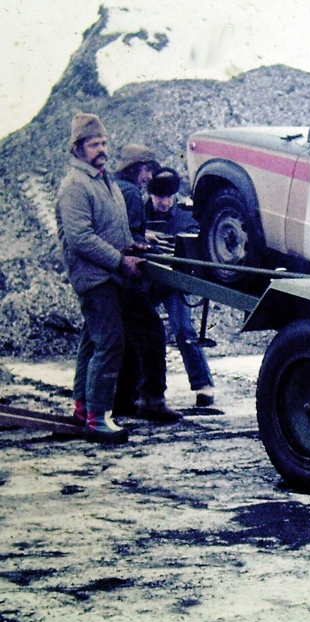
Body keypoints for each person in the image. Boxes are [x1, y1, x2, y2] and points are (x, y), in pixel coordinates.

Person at [57, 114, 181, 444]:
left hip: (109, 272)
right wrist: (121, 261)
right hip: (95, 276)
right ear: (78, 148)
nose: (101, 149)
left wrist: (131, 244)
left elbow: (112, 227)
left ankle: (84, 408)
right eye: (93, 144)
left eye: (104, 143)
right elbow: (81, 238)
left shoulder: (103, 181)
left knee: (93, 341)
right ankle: (98, 418)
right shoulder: (75, 186)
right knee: (110, 342)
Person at [110, 144, 175, 418]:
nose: (149, 177)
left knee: (130, 338)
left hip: (111, 276)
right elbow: (128, 237)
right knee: (152, 334)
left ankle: (123, 399)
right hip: (127, 277)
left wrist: (142, 237)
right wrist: (142, 244)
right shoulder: (132, 194)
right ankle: (152, 400)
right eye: (148, 170)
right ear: (137, 167)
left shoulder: (114, 188)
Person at [146, 167, 216, 407]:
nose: (164, 202)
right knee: (140, 333)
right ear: (150, 194)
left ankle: (203, 386)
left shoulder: (186, 216)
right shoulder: (138, 214)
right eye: (159, 197)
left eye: (168, 197)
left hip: (174, 282)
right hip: (145, 281)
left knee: (184, 330)